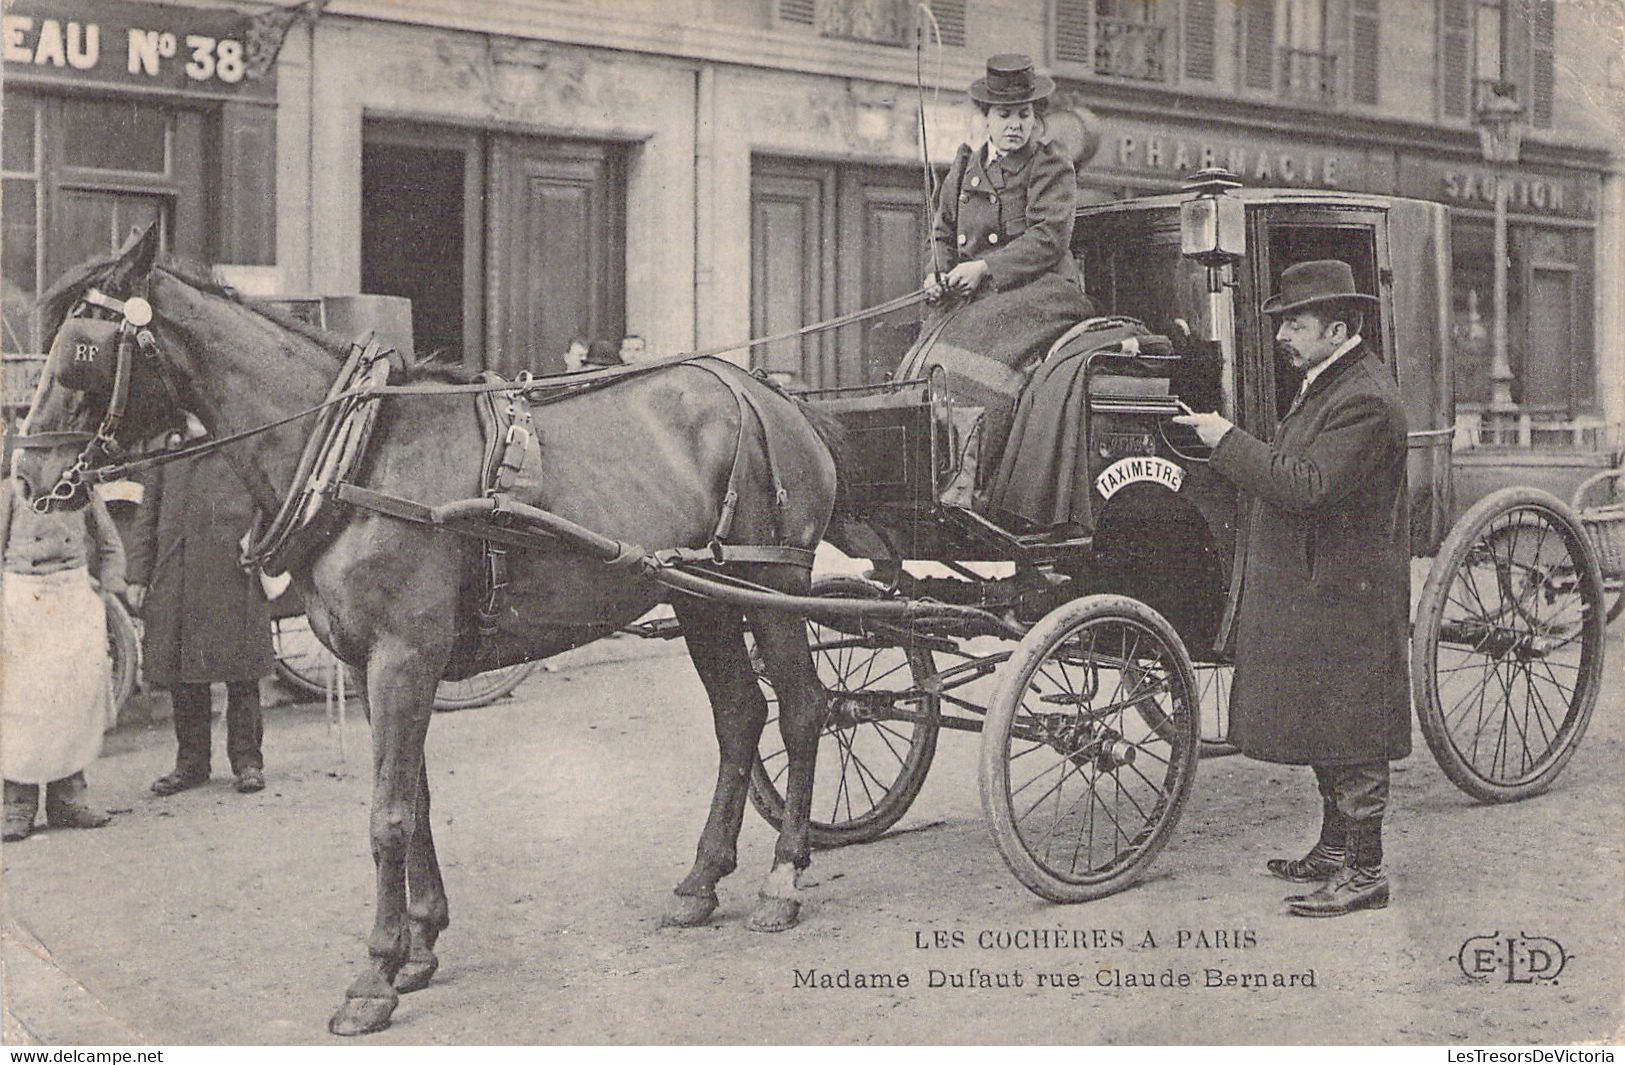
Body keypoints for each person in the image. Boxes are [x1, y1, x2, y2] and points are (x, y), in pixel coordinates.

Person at [1174, 260, 1410, 918]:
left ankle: (1364, 869)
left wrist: (1227, 440)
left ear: (1337, 327)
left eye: (1295, 323)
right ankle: (1334, 850)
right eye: (1281, 322)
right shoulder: (1328, 380)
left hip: (1347, 592)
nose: (1281, 333)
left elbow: (1305, 485)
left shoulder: (1362, 395)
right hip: (1322, 585)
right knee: (1326, 720)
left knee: (1353, 729)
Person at [898, 53, 1093, 483]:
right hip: (975, 292)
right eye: (1004, 115)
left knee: (976, 347)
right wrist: (938, 273)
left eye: (1023, 115)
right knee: (919, 357)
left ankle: (974, 469)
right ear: (985, 118)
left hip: (1041, 291)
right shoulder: (966, 164)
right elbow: (942, 232)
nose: (1015, 125)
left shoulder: (1049, 164)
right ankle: (928, 470)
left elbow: (1048, 239)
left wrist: (985, 267)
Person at [126, 426, 275, 796]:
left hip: (231, 573)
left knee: (241, 674)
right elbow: (148, 517)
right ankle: (191, 764)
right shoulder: (167, 451)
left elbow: (269, 502)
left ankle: (248, 762)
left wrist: (257, 544)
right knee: (183, 676)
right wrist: (138, 576)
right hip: (175, 576)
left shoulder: (238, 440)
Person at [1, 475, 127, 841]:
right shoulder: (10, 491)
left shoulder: (84, 491)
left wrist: (105, 594)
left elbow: (110, 546)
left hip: (72, 598)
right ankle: (17, 806)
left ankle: (68, 799)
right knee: (22, 704)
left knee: (71, 702)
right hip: (23, 602)